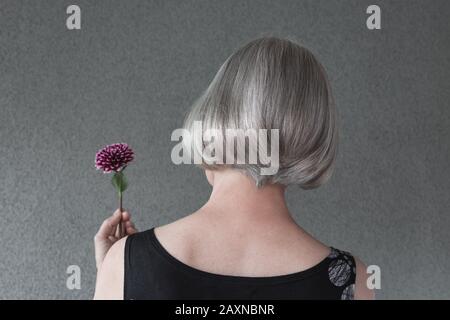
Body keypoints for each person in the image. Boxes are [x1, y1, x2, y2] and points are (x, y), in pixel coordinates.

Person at [93, 37, 374, 300]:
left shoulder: (128, 259)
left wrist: (122, 270)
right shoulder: (351, 279)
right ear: (311, 134)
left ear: (215, 117)